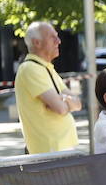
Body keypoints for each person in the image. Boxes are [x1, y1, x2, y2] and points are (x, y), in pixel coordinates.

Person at [13, 21, 81, 155]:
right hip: (48, 153)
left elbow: (78, 104)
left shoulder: (45, 68)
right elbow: (61, 109)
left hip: (59, 150)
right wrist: (65, 102)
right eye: (52, 37)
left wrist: (63, 100)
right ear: (36, 42)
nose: (59, 41)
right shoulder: (31, 68)